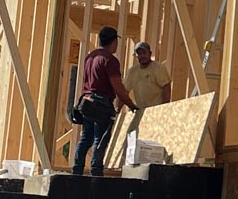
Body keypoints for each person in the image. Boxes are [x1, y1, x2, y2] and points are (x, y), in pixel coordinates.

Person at [70, 26, 136, 176]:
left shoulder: (90, 57)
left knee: (86, 137)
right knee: (100, 139)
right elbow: (118, 88)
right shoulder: (110, 60)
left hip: (86, 102)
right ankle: (96, 173)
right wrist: (131, 105)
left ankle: (77, 171)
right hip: (101, 104)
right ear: (113, 42)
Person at [122, 40, 172, 109]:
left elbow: (166, 87)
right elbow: (124, 92)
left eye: (144, 53)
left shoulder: (158, 68)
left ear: (150, 53)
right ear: (136, 56)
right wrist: (118, 109)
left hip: (156, 109)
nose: (142, 56)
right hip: (141, 111)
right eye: (139, 54)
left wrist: (164, 107)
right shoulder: (132, 72)